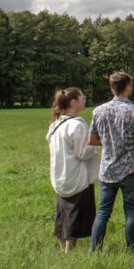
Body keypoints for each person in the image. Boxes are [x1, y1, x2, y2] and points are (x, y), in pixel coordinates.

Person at [89, 71, 134, 251]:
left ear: (112, 88)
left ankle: (95, 249)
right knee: (131, 211)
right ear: (128, 87)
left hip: (107, 169)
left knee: (103, 212)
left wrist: (109, 142)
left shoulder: (98, 111)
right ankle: (132, 250)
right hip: (130, 169)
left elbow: (92, 139)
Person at [46, 87, 99, 252]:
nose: (85, 100)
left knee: (62, 214)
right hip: (76, 177)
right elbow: (83, 152)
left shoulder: (55, 124)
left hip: (60, 175)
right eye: (82, 97)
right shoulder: (76, 125)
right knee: (74, 216)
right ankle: (69, 250)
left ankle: (64, 248)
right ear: (73, 101)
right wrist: (98, 142)